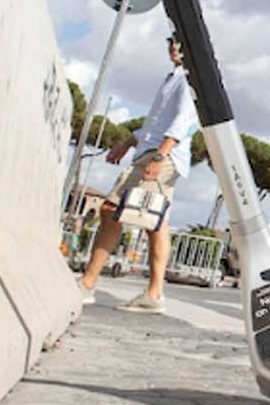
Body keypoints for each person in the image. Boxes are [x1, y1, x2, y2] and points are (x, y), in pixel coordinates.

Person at [75, 34, 199, 313]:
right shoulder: (173, 78)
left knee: (111, 210)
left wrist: (159, 155)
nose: (173, 47)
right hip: (153, 152)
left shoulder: (189, 78)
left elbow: (186, 122)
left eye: (180, 42)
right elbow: (155, 123)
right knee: (156, 224)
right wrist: (128, 142)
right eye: (170, 41)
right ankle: (153, 295)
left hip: (160, 157)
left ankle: (87, 284)